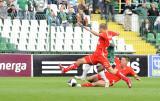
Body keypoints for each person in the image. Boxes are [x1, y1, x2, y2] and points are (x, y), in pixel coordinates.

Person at [59, 23, 132, 88]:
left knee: (112, 71)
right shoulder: (110, 33)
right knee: (80, 61)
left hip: (101, 56)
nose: (98, 30)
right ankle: (65, 70)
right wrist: (114, 34)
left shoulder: (104, 33)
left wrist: (86, 28)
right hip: (95, 55)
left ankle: (126, 79)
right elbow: (117, 33)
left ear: (102, 28)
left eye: (99, 29)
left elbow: (97, 34)